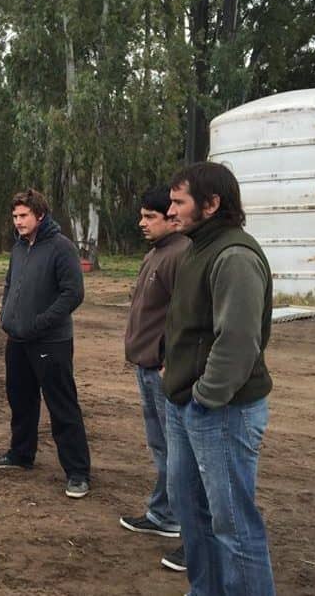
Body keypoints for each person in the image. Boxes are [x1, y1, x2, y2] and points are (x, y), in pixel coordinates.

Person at [163, 162, 275, 596]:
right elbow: (192, 325)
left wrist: (205, 398)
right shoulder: (198, 247)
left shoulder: (234, 256)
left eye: (179, 202)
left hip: (222, 411)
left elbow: (238, 341)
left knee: (233, 525)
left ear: (212, 204)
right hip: (189, 404)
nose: (170, 211)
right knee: (193, 512)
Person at [0, 188, 91, 499]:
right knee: (21, 400)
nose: (18, 222)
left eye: (24, 216)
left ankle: (77, 472)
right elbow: (10, 283)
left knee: (62, 406)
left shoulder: (61, 248)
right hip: (16, 339)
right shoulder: (19, 248)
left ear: (40, 215)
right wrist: (6, 314)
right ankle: (21, 454)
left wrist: (41, 322)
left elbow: (73, 294)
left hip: (51, 342)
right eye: (15, 216)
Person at [118, 186, 190, 573]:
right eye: (142, 215)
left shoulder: (180, 255)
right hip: (146, 367)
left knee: (179, 456)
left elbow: (187, 316)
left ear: (171, 218)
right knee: (161, 448)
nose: (142, 223)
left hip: (162, 371)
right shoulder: (157, 253)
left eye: (150, 216)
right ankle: (162, 513)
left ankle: (187, 531)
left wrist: (168, 360)